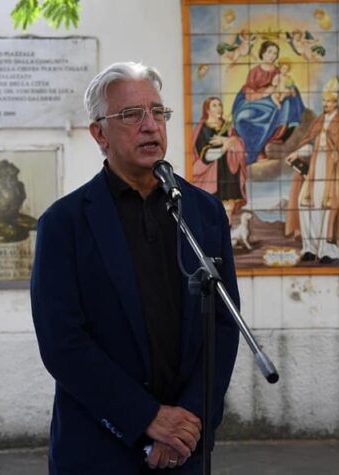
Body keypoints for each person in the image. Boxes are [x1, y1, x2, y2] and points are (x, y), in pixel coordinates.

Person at [30, 61, 240, 474]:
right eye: (131, 114)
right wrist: (147, 420)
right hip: (97, 451)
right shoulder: (64, 224)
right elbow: (63, 343)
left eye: (158, 112)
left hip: (185, 450)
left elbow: (224, 324)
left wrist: (187, 425)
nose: (150, 126)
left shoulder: (204, 213)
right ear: (99, 133)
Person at [284, 77, 339, 264]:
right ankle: (309, 248)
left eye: (329, 101)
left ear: (337, 101)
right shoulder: (319, 120)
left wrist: (334, 153)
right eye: (324, 100)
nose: (326, 104)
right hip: (316, 170)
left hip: (334, 174)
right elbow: (311, 144)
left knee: (326, 209)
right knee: (304, 204)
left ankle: (326, 250)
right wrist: (296, 153)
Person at [231, 40, 305, 164]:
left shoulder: (279, 71)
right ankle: (252, 148)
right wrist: (265, 92)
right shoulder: (254, 71)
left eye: (275, 53)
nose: (272, 56)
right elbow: (249, 91)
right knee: (241, 117)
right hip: (255, 102)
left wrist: (287, 91)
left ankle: (259, 151)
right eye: (269, 52)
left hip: (273, 104)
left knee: (277, 113)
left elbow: (289, 86)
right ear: (263, 53)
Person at [191, 96, 247, 224]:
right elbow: (205, 155)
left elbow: (239, 145)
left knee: (229, 205)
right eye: (214, 105)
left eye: (220, 105)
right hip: (211, 173)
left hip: (230, 171)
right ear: (208, 110)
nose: (219, 108)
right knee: (213, 207)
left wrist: (228, 141)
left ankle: (228, 230)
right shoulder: (203, 129)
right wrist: (225, 147)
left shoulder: (228, 127)